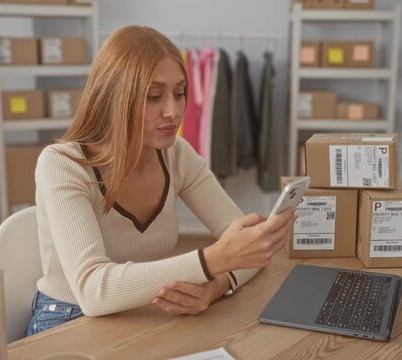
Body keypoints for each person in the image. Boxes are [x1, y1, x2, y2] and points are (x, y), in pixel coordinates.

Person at [25, 25, 295, 337]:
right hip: (67, 320)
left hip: (144, 313)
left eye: (180, 94)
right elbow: (92, 290)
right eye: (154, 96)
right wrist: (215, 259)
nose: (173, 111)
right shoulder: (63, 164)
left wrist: (216, 285)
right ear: (113, 96)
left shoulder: (178, 155)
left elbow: (247, 248)